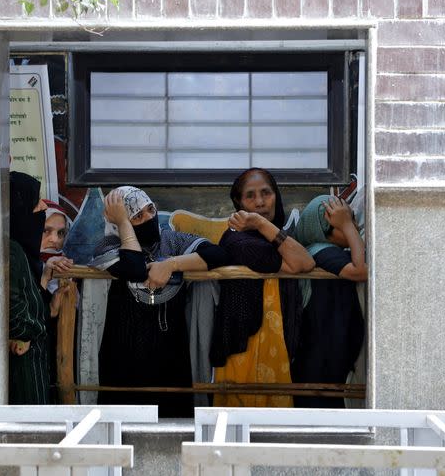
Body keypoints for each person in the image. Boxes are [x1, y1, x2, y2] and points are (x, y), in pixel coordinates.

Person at [87, 186, 228, 417]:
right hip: (125, 356)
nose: (149, 218)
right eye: (138, 216)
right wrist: (123, 223)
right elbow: (133, 267)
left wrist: (171, 264)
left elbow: (218, 255)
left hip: (171, 354)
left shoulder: (172, 240)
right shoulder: (108, 246)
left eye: (150, 210)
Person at [210, 168, 315, 407]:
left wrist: (262, 225)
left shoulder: (278, 237)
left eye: (266, 193)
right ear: (238, 203)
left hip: (276, 344)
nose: (260, 202)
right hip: (245, 347)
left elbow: (303, 260)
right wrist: (258, 222)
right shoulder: (237, 240)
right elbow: (303, 262)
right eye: (250, 196)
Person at [291, 194, 367, 408]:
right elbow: (362, 271)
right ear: (321, 230)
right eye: (343, 223)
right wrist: (348, 226)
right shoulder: (322, 251)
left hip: (327, 353)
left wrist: (345, 224)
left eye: (352, 219)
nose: (353, 226)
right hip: (322, 356)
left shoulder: (328, 251)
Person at [8, 171, 50, 405]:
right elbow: (15, 307)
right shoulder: (13, 251)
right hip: (23, 366)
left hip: (32, 361)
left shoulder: (21, 252)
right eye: (36, 200)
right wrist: (22, 333)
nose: (43, 206)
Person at [39, 200, 74, 403]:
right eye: (46, 230)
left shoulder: (65, 268)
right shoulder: (17, 262)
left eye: (60, 233)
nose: (54, 240)